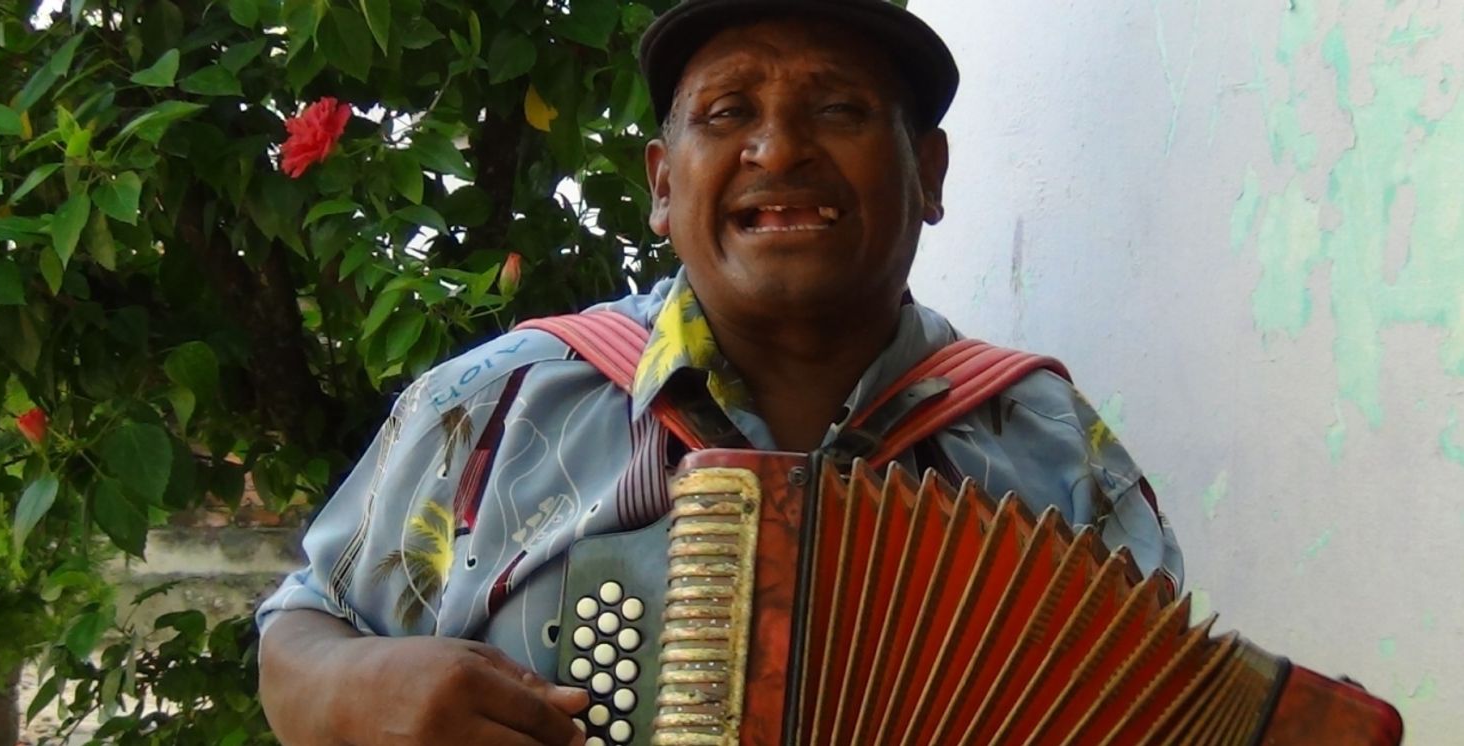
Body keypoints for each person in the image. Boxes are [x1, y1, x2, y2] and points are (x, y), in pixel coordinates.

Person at [255, 1, 1184, 743]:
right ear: (662, 185)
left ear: (929, 174)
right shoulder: (495, 402)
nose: (777, 151)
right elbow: (301, 627)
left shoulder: (1059, 451)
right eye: (728, 112)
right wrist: (353, 689)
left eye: (838, 109)